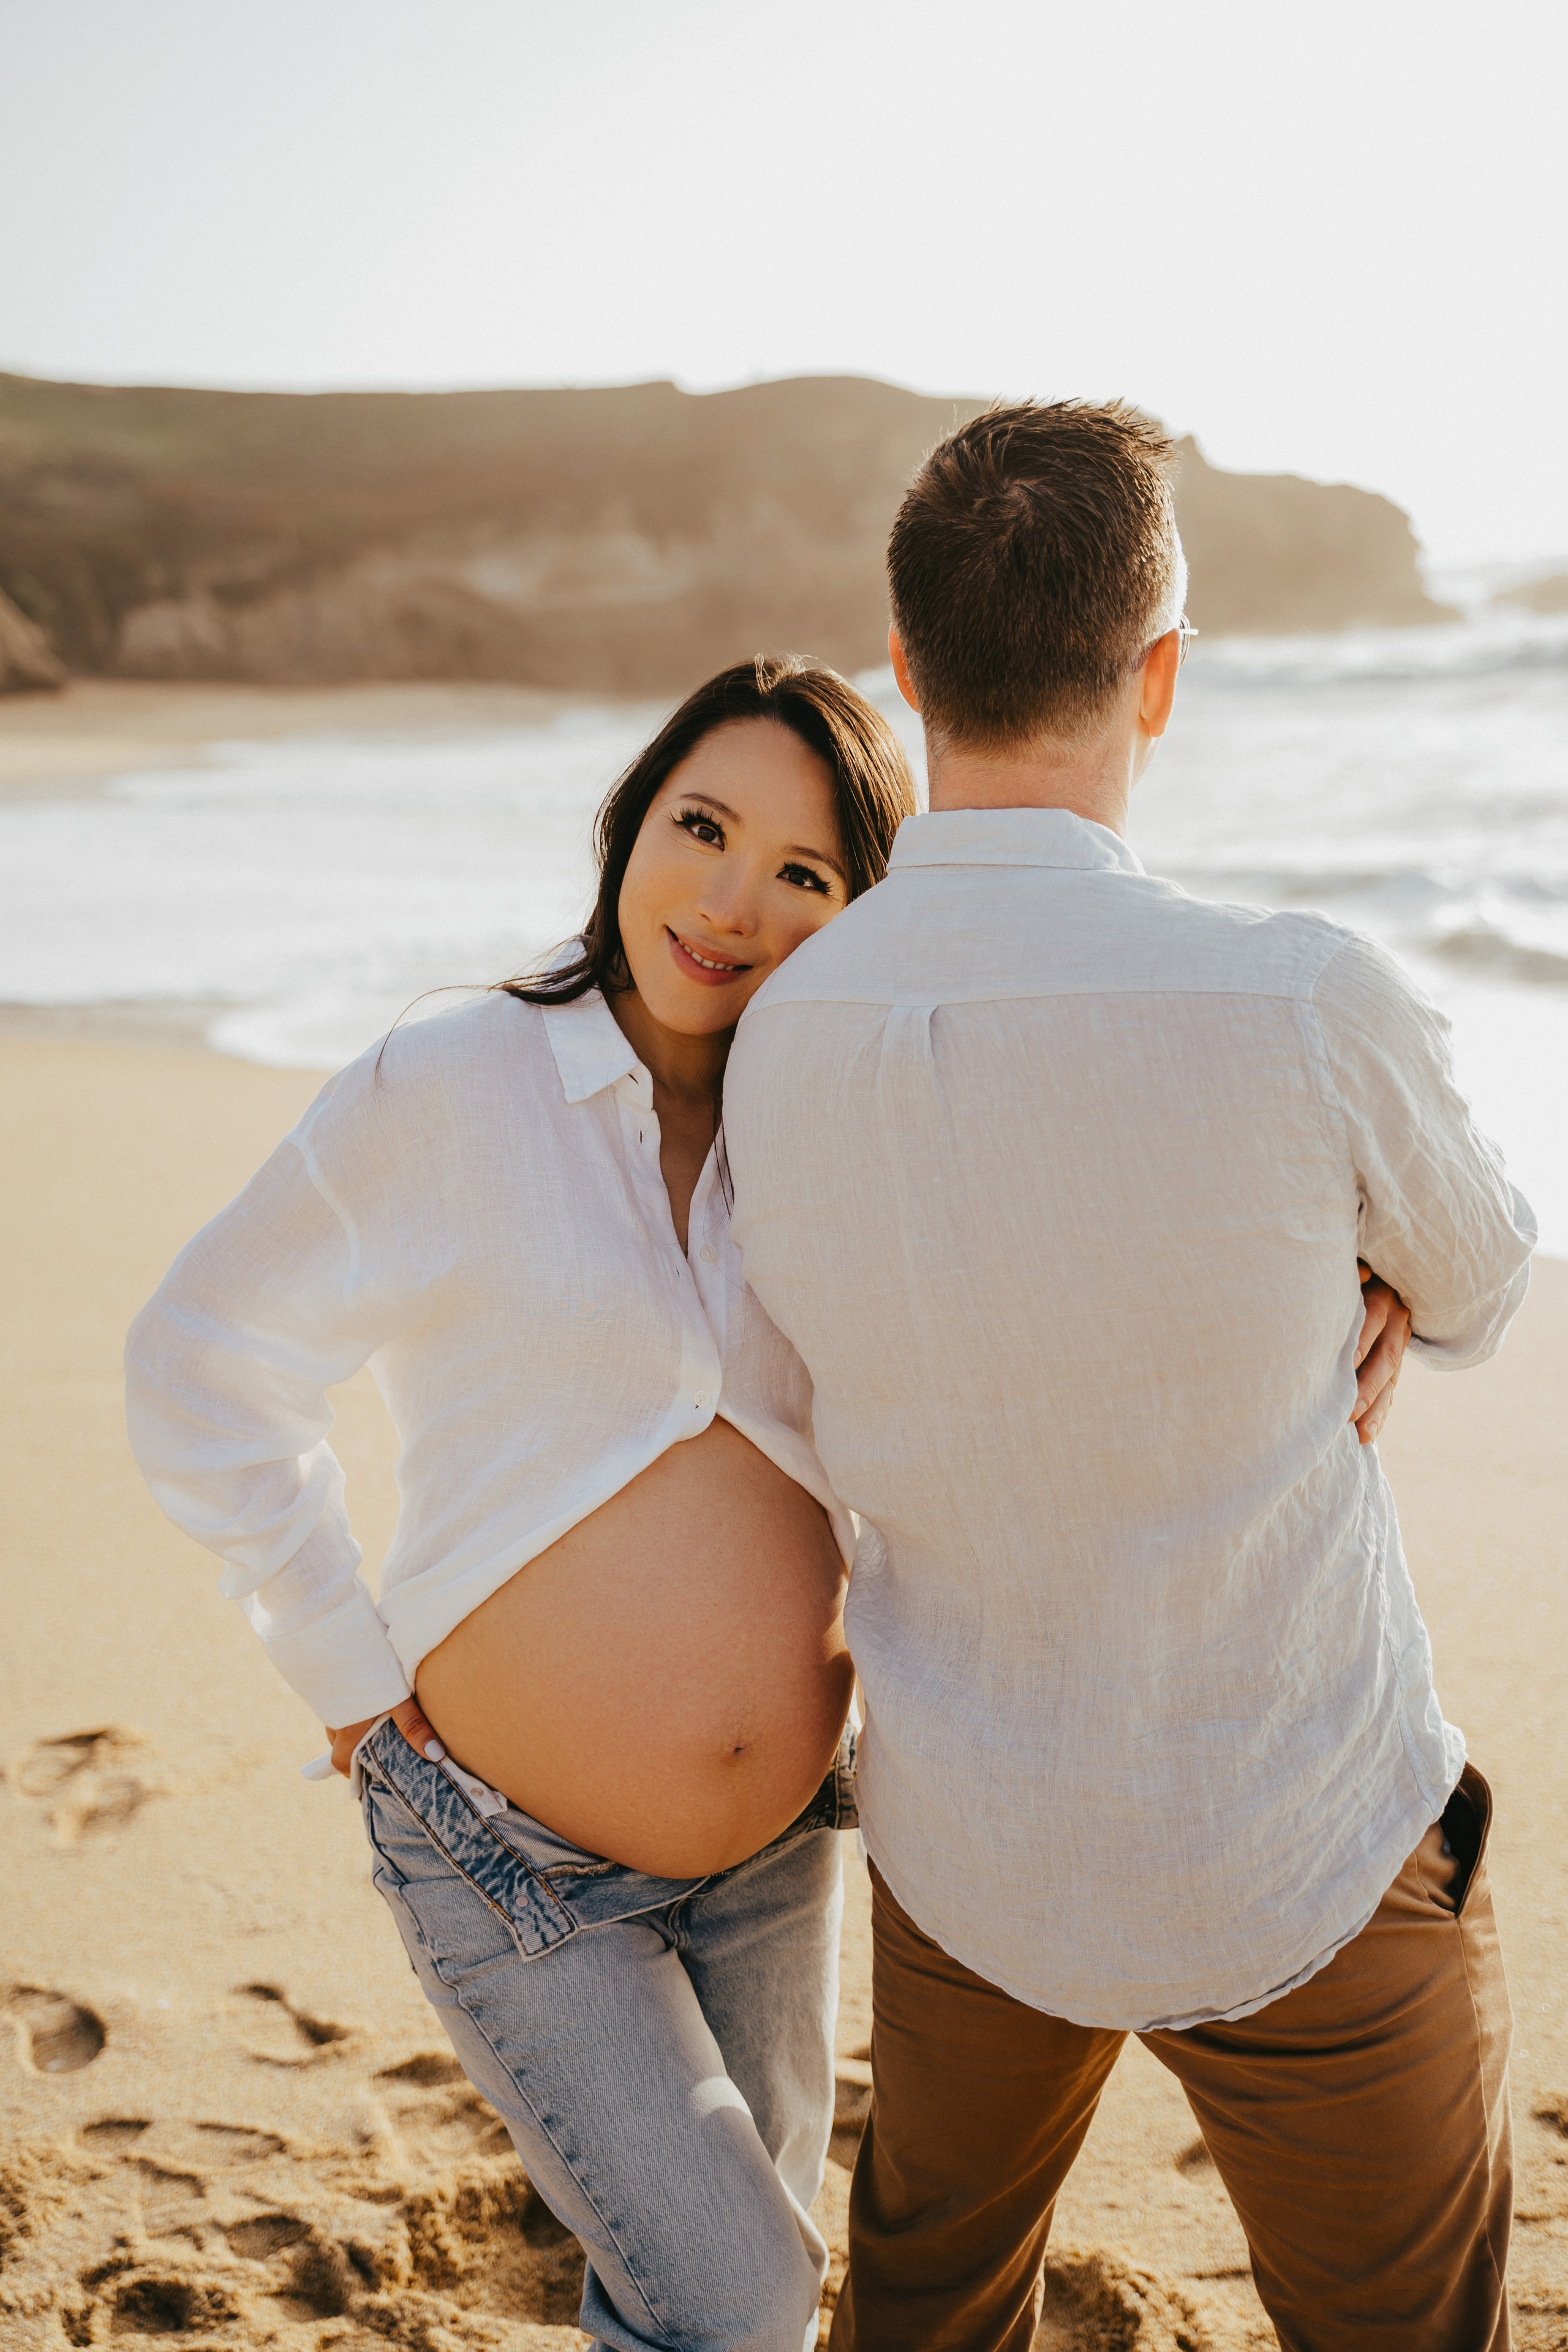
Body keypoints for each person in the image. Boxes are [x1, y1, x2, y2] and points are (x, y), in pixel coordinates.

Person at [720, 405, 1537, 2351]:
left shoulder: (781, 1033)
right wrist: (1362, 1277)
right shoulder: (1297, 996)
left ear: (904, 669)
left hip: (970, 1844)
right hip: (1303, 1847)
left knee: (928, 2307)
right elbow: (1493, 1280)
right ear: (1158, 675)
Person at [124, 655, 918, 2352]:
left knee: (717, 2295)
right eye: (700, 828)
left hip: (785, 1845)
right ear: (632, 824)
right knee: (738, 2292)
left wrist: (1350, 1263)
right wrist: (343, 1674)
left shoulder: (836, 1134)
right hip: (508, 1853)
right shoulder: (460, 1080)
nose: (728, 902)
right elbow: (199, 1360)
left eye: (804, 872)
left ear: (860, 913)